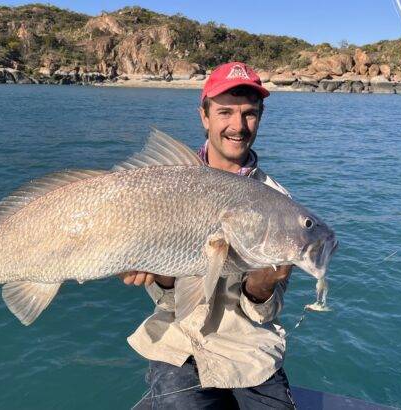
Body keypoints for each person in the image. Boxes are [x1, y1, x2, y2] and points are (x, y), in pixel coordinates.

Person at [121, 62, 296, 409]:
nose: (238, 126)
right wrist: (162, 278)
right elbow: (169, 303)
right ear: (204, 116)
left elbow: (265, 314)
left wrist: (261, 288)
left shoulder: (279, 204)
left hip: (249, 350)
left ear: (260, 117)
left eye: (249, 114)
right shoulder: (164, 183)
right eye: (225, 112)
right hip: (178, 342)